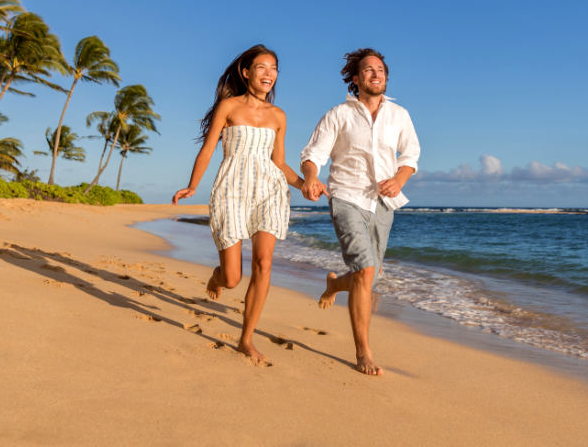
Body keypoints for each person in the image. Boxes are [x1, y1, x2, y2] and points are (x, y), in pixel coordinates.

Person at [172, 44, 304, 364]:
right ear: (246, 72)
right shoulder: (228, 107)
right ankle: (217, 276)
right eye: (262, 67)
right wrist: (192, 185)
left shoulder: (279, 116)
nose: (269, 74)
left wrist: (305, 184)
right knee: (232, 278)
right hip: (232, 189)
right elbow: (207, 150)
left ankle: (246, 339)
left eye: (274, 68)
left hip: (269, 191)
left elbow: (280, 163)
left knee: (264, 264)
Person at [300, 48, 420, 376]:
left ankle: (336, 284)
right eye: (368, 70)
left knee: (369, 274)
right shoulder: (339, 114)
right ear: (356, 79)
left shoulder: (399, 115)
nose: (376, 74)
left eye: (380, 69)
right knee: (366, 271)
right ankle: (363, 352)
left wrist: (399, 178)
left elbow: (411, 153)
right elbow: (313, 154)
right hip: (346, 197)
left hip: (383, 203)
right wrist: (311, 177)